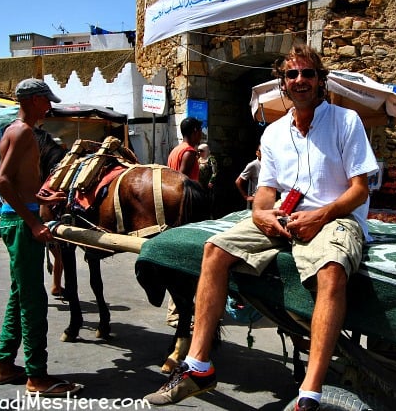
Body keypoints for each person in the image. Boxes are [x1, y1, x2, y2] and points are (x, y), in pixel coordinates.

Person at [144, 43, 378, 411]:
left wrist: (321, 215)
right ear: (282, 83)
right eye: (292, 74)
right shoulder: (272, 134)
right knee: (214, 250)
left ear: (320, 80)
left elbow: (359, 189)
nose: (300, 80)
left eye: (308, 73)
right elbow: (266, 191)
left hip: (335, 217)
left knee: (332, 271)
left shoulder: (346, 122)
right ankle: (199, 366)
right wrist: (260, 215)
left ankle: (310, 393)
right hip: (284, 218)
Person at [0, 78, 82, 397]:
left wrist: (41, 200)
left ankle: (4, 366)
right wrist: (33, 221)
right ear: (31, 100)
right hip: (19, 222)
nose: (49, 106)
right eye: (46, 100)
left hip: (19, 216)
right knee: (33, 301)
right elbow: (2, 182)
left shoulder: (15, 132)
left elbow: (16, 182)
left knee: (19, 295)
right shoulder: (23, 131)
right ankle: (37, 376)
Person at [165, 117, 204, 327]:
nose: (202, 134)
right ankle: (177, 311)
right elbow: (181, 181)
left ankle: (179, 309)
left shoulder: (175, 150)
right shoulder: (188, 152)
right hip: (186, 210)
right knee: (187, 261)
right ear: (195, 130)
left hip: (178, 208)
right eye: (200, 130)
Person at [235, 143, 261, 209]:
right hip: (258, 200)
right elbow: (238, 182)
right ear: (257, 153)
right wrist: (246, 197)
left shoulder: (270, 165)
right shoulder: (253, 165)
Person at [197, 143, 218, 217]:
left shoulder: (211, 159)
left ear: (206, 151)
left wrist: (211, 182)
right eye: (198, 151)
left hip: (208, 185)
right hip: (200, 184)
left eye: (201, 151)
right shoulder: (199, 159)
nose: (199, 153)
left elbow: (214, 172)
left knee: (210, 200)